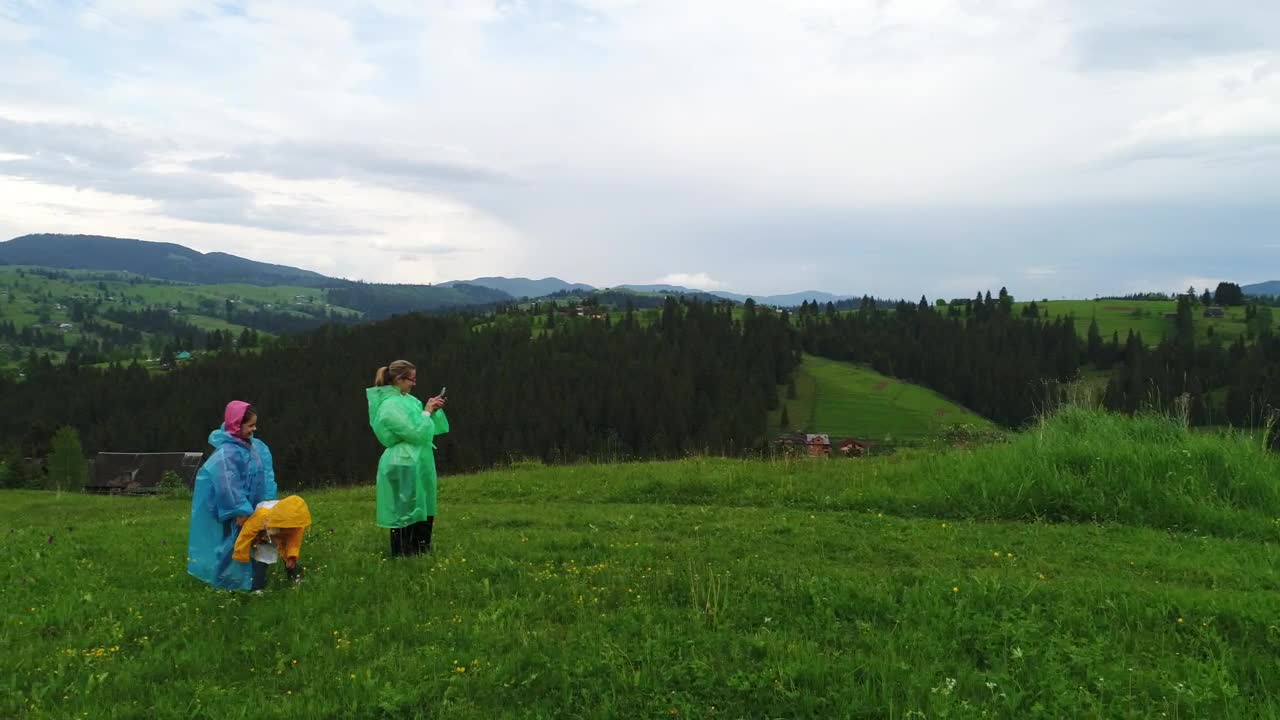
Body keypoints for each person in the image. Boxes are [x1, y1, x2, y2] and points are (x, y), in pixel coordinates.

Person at [187, 401, 278, 590]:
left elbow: (263, 476)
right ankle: (225, 582)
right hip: (236, 513)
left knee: (259, 542)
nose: (254, 429)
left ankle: (256, 583)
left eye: (255, 424)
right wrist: (240, 510)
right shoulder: (227, 453)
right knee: (232, 545)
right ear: (237, 425)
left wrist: (267, 502)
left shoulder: (250, 447)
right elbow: (228, 485)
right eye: (250, 425)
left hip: (254, 507)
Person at [367, 360, 448, 556]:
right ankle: (404, 553)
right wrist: (427, 412)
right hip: (403, 461)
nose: (414, 383)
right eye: (411, 379)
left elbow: (428, 429)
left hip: (418, 460)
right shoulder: (389, 405)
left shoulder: (409, 400)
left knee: (423, 505)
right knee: (406, 509)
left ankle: (421, 550)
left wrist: (432, 411)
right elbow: (416, 432)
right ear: (399, 379)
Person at [232, 495, 311, 590]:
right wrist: (240, 554)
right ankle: (257, 588)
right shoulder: (261, 515)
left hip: (275, 531)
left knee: (288, 557)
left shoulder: (297, 525)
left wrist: (292, 556)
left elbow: (294, 542)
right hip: (264, 530)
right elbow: (246, 534)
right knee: (262, 558)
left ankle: (295, 578)